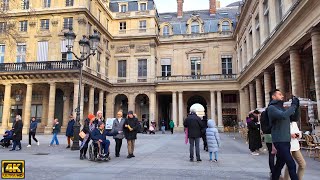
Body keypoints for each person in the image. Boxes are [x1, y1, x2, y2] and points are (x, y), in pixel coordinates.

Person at [268, 89, 299, 180]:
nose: (282, 96)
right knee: (291, 164)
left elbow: (294, 118)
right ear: (273, 97)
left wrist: (297, 107)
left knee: (279, 164)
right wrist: (293, 105)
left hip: (286, 140)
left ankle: (274, 178)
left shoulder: (282, 108)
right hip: (279, 140)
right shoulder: (272, 108)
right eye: (280, 94)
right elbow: (283, 116)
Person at [283, 114, 306, 180]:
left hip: (296, 146)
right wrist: (291, 135)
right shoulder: (283, 123)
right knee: (289, 165)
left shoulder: (294, 123)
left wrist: (297, 135)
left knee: (303, 164)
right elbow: (283, 134)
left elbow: (299, 134)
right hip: (287, 146)